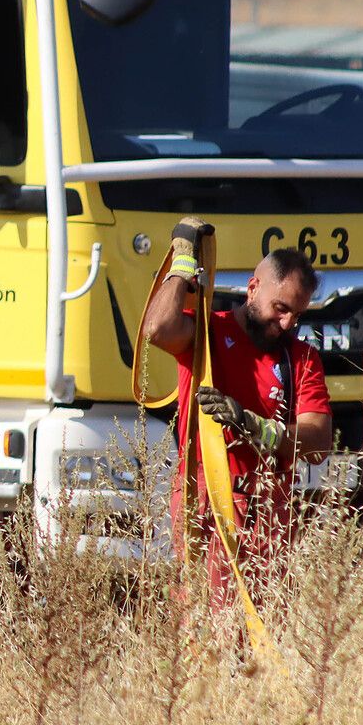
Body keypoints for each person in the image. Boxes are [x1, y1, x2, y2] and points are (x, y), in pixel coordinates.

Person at [141, 221, 332, 609]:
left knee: (264, 625)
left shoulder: (301, 359)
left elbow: (318, 441)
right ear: (252, 288)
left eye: (297, 315)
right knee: (208, 625)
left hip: (268, 508)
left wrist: (259, 429)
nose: (288, 324)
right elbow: (157, 329)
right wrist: (182, 266)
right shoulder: (207, 334)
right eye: (281, 309)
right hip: (205, 500)